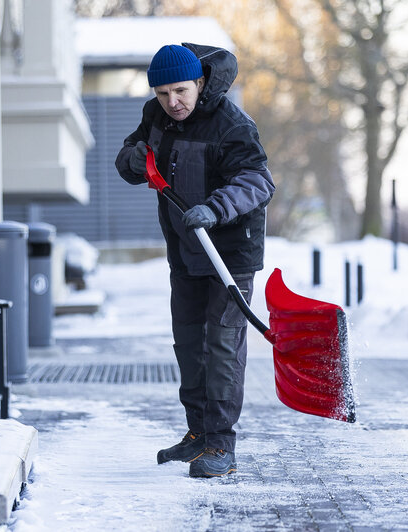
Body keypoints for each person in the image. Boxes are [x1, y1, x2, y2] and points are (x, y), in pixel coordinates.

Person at [115, 43, 274, 478]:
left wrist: (216, 207)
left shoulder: (231, 123)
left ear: (199, 83)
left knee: (221, 346)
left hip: (229, 253)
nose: (173, 102)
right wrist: (133, 160)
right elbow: (131, 156)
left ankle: (221, 443)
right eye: (163, 93)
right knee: (188, 343)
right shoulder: (156, 115)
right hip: (186, 251)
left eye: (181, 91)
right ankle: (198, 433)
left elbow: (258, 181)